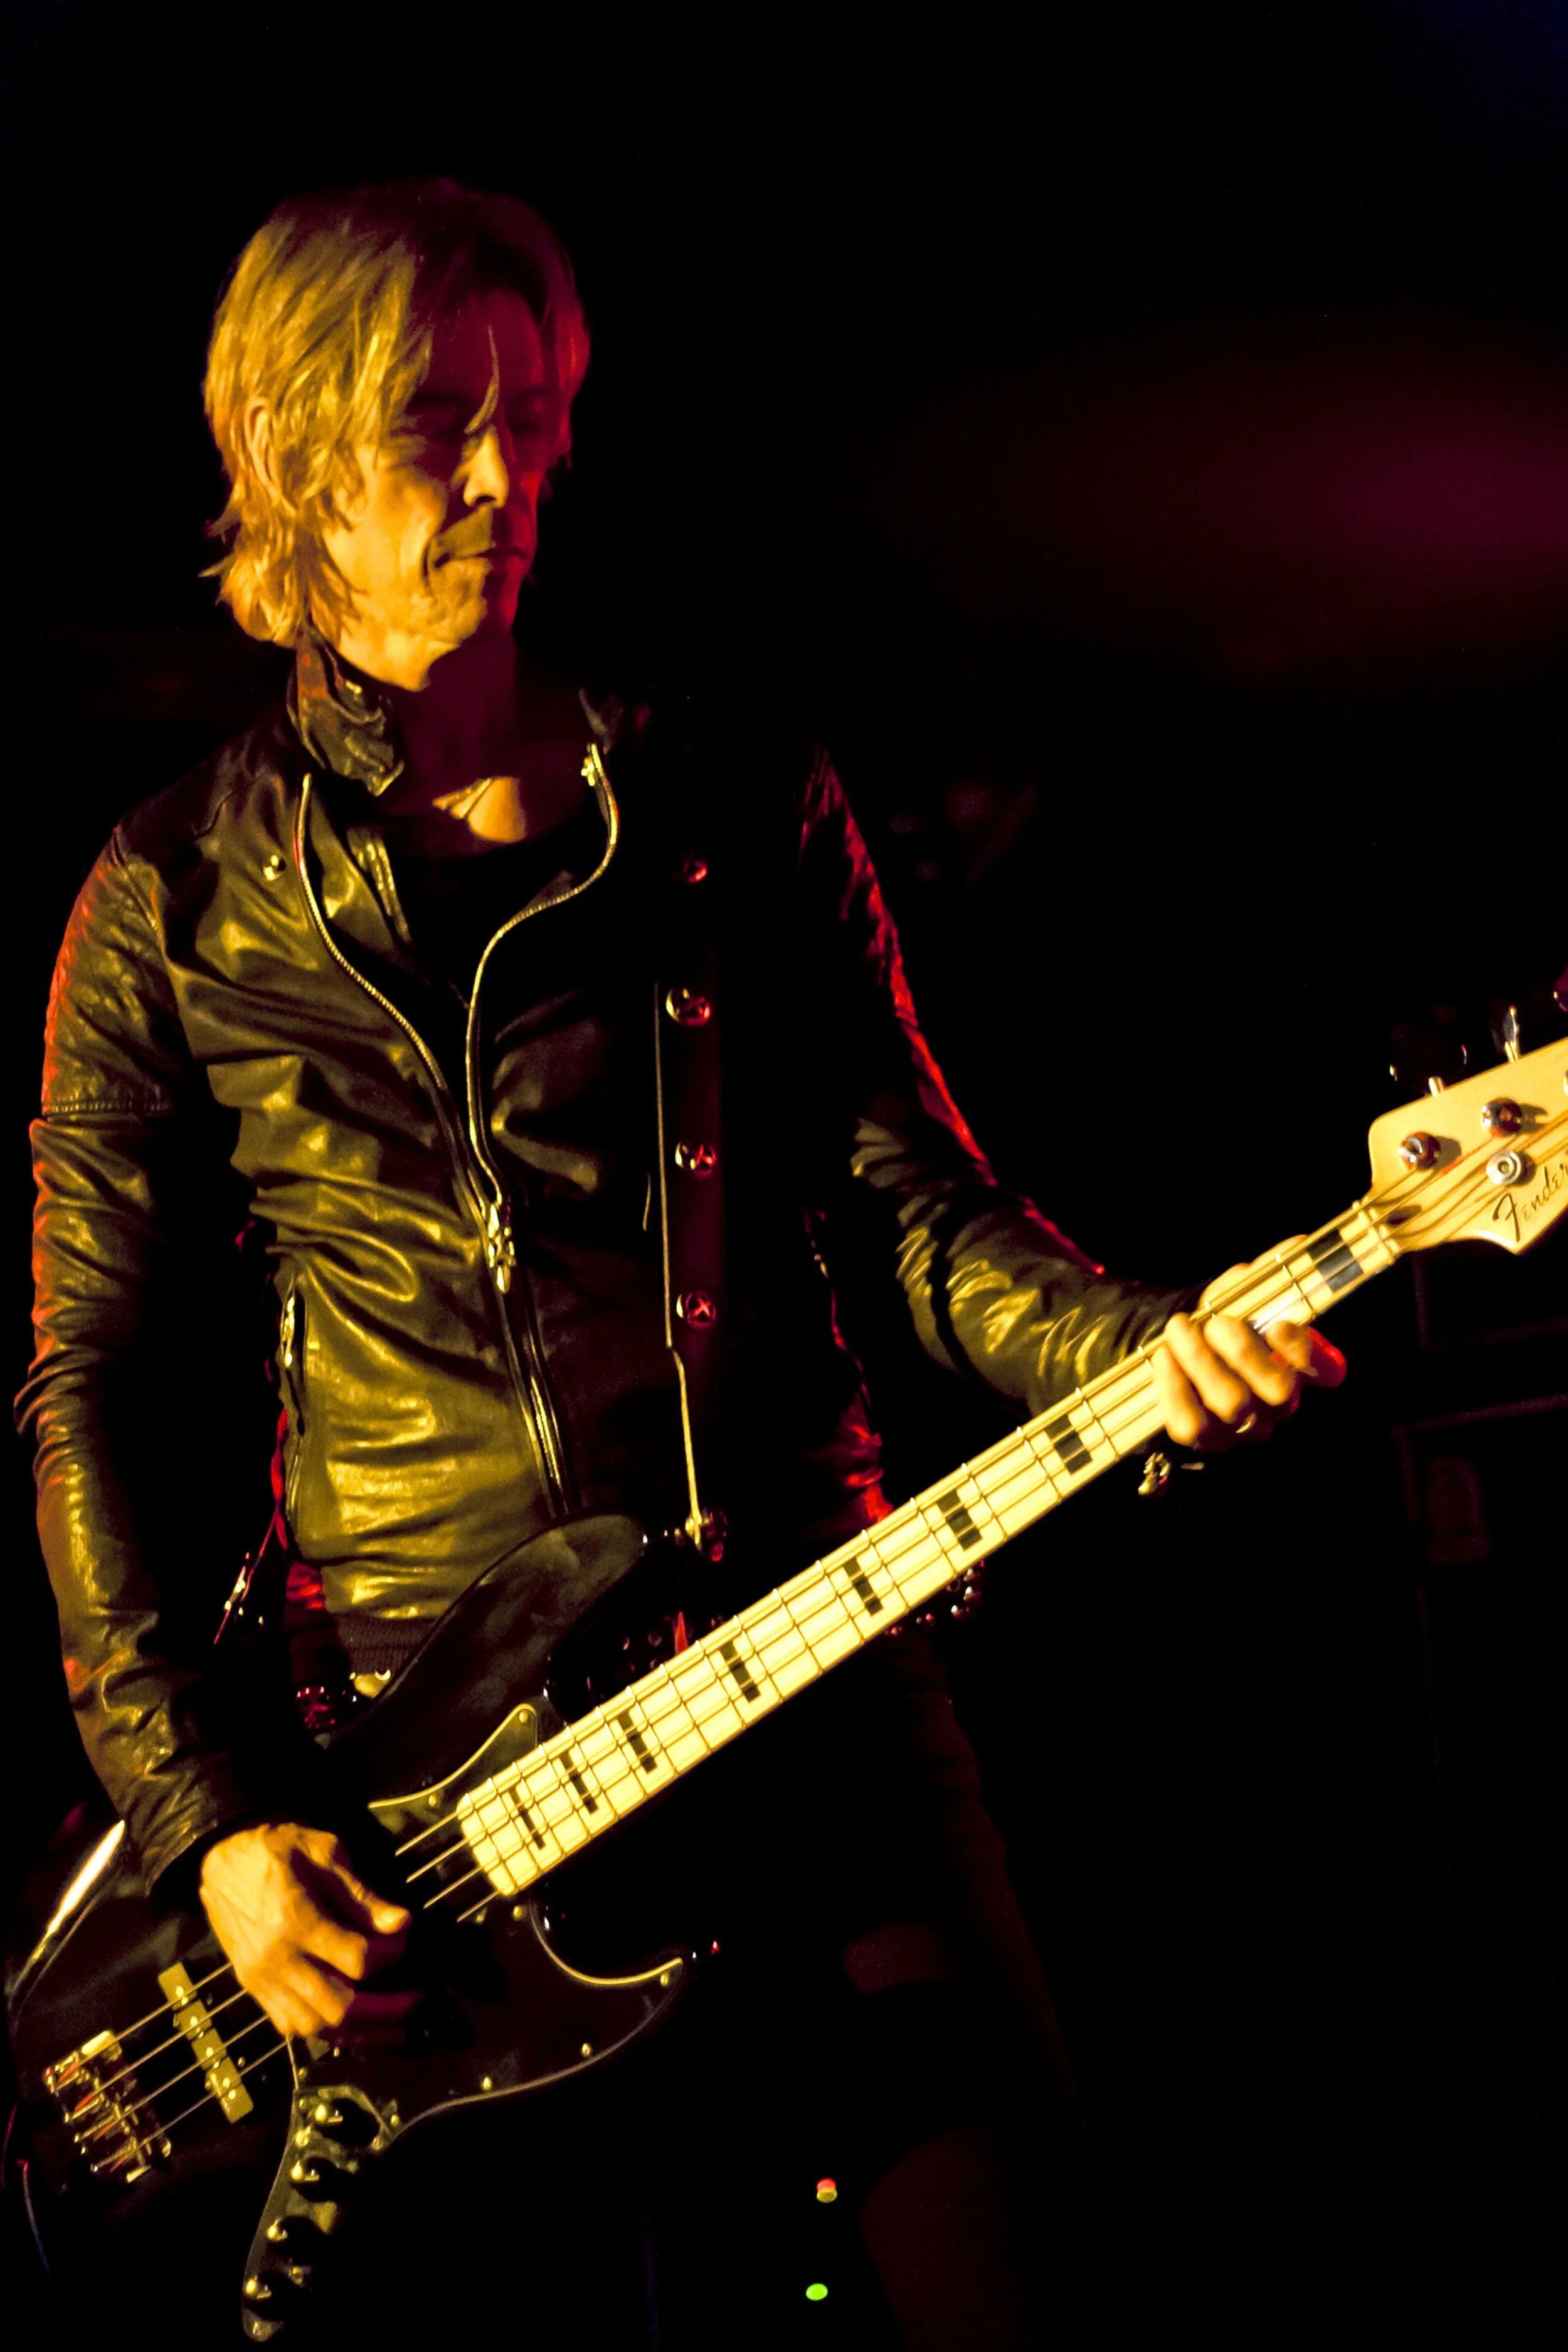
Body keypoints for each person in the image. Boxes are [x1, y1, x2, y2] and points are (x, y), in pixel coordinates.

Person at [16, 179, 1343, 2348]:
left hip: (813, 1675)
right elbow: (96, 1392)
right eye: (438, 423)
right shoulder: (169, 898)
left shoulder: (720, 790)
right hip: (431, 1804)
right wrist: (219, 1828)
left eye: (534, 419)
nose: (504, 479)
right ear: (284, 455)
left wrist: (1141, 1347)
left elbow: (916, 1212)